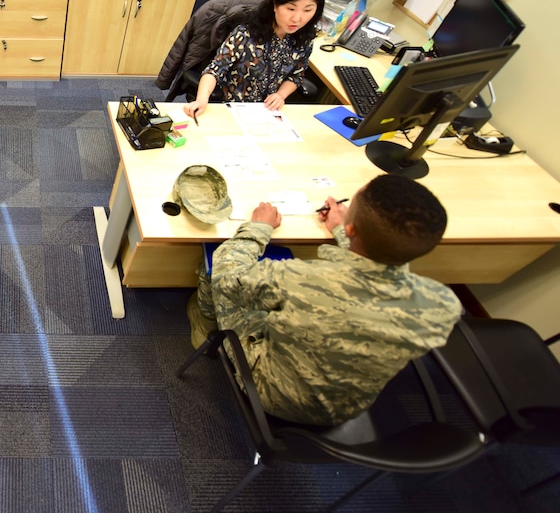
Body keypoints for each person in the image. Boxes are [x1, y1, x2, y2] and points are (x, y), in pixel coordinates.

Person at [189, 174, 462, 426]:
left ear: (353, 228)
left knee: (216, 267)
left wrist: (258, 228)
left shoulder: (300, 279)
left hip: (272, 392)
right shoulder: (442, 306)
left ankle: (205, 326)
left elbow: (229, 277)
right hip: (347, 408)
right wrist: (346, 233)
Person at [182, 0, 325, 119]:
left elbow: (296, 76)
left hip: (267, 113)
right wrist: (202, 99)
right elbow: (214, 70)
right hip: (231, 109)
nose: (297, 18)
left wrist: (280, 95)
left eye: (308, 10)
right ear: (276, 4)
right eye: (290, 9)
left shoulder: (304, 38)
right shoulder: (246, 33)